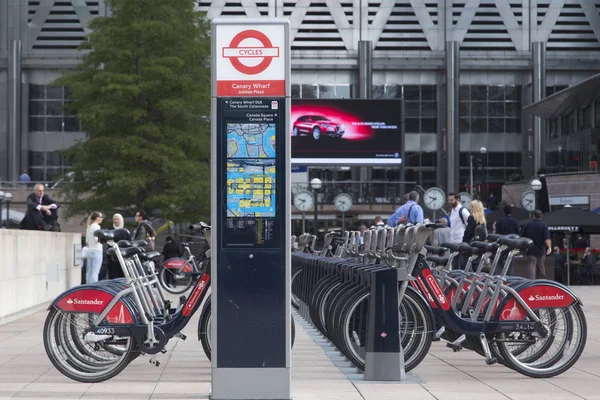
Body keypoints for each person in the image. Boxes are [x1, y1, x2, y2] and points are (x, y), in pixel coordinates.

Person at [521, 210, 551, 280]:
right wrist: (549, 247)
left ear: (533, 216)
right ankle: (541, 281)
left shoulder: (528, 225)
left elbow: (522, 237)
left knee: (532, 265)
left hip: (530, 250)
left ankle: (531, 282)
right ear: (542, 216)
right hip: (541, 250)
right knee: (541, 266)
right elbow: (547, 238)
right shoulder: (544, 225)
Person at [85, 211, 105, 284]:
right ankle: (94, 286)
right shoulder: (97, 226)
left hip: (90, 250)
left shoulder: (89, 227)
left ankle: (88, 286)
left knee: (89, 271)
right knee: (95, 271)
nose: (102, 219)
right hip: (97, 250)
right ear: (97, 218)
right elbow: (97, 239)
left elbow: (87, 241)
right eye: (101, 217)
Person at [107, 213, 126, 279]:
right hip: (112, 256)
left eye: (117, 219)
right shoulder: (110, 230)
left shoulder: (124, 231)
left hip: (122, 255)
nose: (116, 221)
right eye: (114, 219)